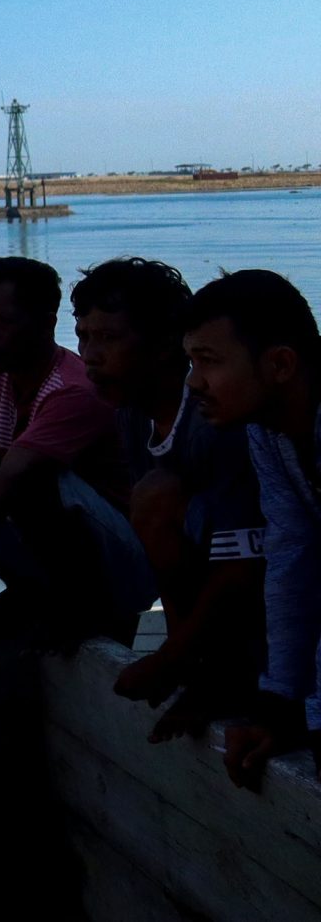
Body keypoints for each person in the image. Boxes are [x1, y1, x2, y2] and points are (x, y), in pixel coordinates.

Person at [0, 256, 154, 641]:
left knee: (34, 478)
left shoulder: (72, 390)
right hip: (60, 550)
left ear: (46, 324)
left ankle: (76, 610)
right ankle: (27, 593)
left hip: (120, 565)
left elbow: (16, 475)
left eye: (2, 322)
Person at [72, 257, 265, 740]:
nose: (90, 355)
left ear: (163, 346)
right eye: (84, 337)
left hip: (260, 581)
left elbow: (241, 567)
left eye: (108, 338)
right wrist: (179, 655)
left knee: (157, 496)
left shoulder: (212, 420)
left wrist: (169, 657)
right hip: (219, 578)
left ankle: (223, 672)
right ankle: (200, 667)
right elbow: (164, 552)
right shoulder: (133, 416)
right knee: (150, 499)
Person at [180, 269, 319, 790]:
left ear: (281, 363)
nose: (193, 382)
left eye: (208, 362)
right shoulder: (269, 428)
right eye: (191, 362)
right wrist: (279, 703)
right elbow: (292, 555)